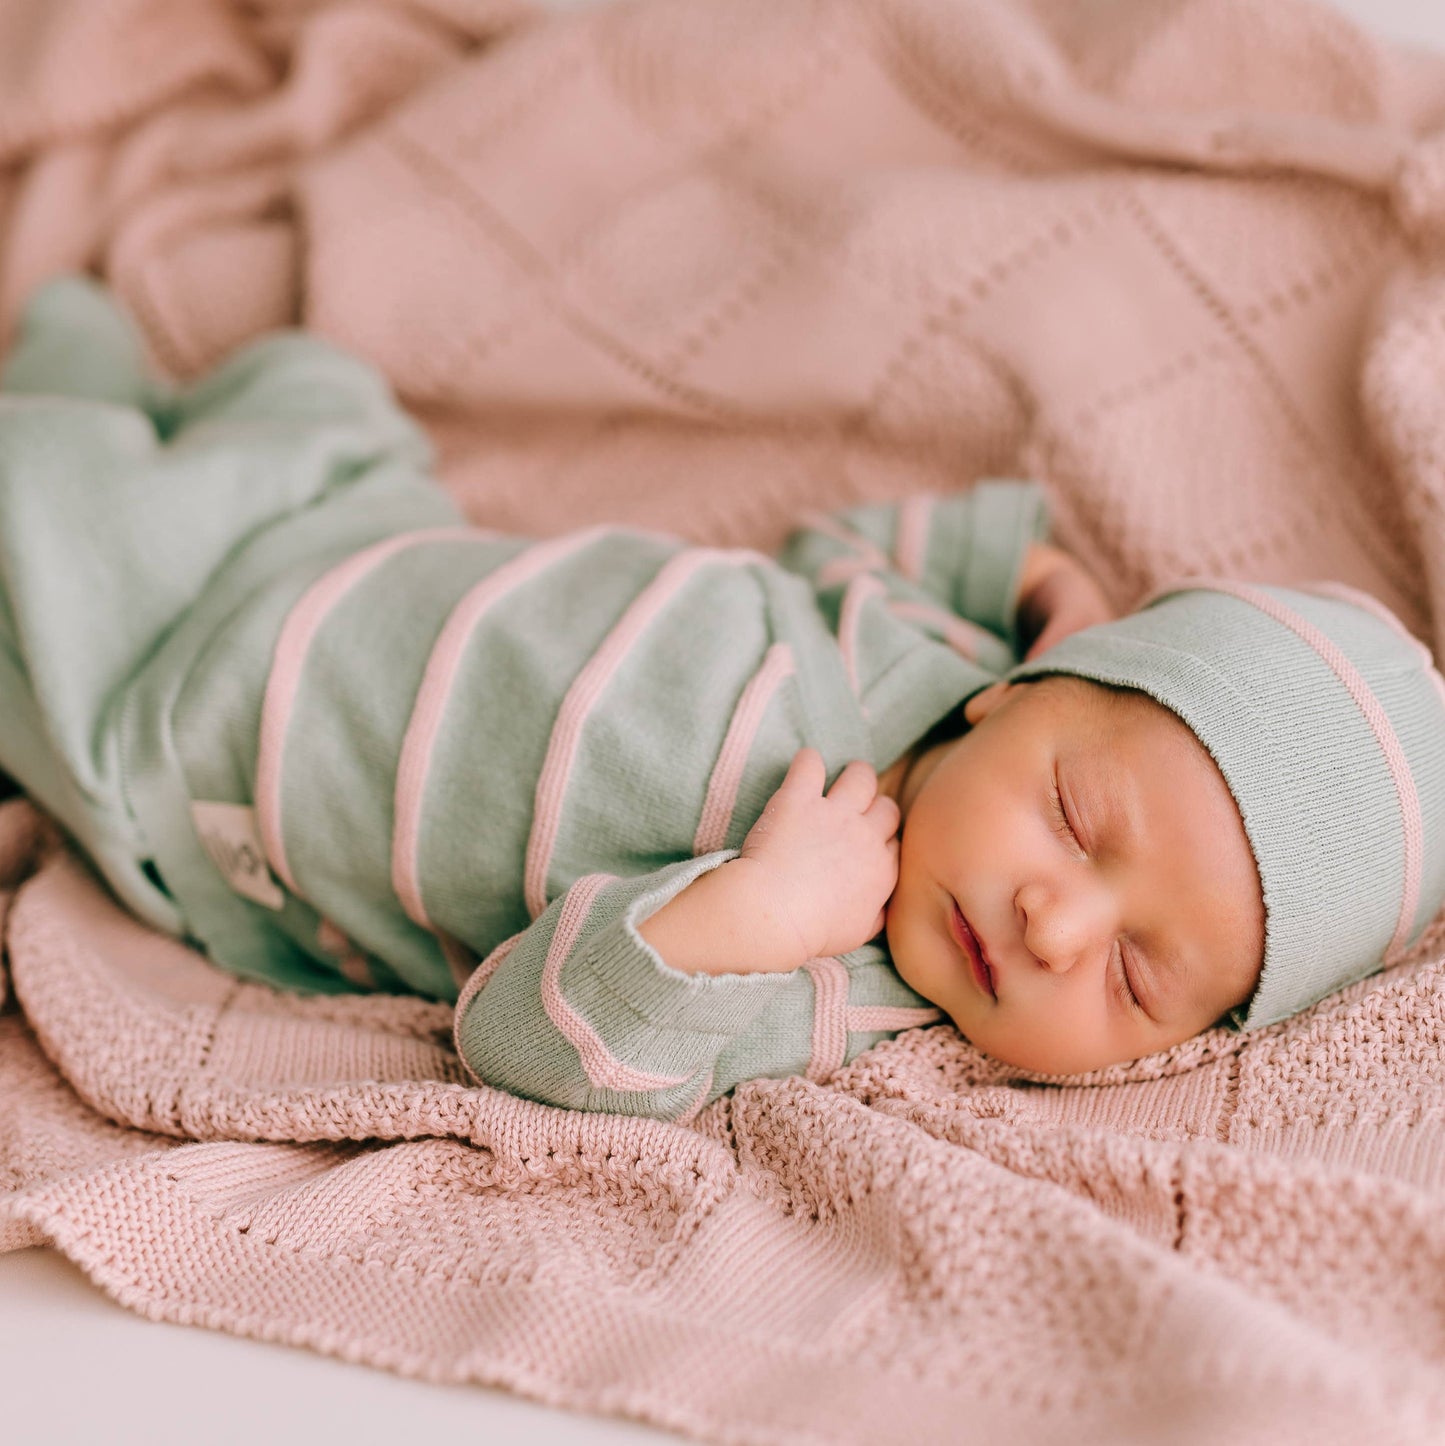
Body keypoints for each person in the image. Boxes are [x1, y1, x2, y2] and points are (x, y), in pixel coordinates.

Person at [3, 276, 1443, 1122]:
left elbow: (518, 1039)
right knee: (296, 384)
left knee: (44, 504)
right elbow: (858, 539)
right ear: (1018, 697)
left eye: (1135, 981)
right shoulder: (927, 646)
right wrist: (1044, 581)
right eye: (1075, 816)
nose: (1054, 925)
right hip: (357, 527)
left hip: (202, 716)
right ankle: (82, 355)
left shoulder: (833, 998)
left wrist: (740, 921)